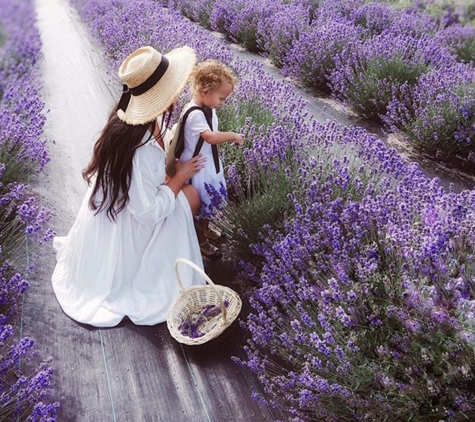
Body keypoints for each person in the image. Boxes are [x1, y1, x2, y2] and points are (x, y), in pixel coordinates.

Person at [52, 45, 207, 328]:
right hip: (128, 226)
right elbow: (147, 213)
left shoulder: (127, 117)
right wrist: (179, 176)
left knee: (183, 191)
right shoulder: (142, 147)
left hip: (112, 213)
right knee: (192, 196)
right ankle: (164, 258)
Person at [178, 60, 244, 259]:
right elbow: (210, 137)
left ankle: (205, 231)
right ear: (205, 91)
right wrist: (233, 135)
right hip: (198, 167)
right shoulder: (195, 113)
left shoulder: (207, 108)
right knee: (199, 204)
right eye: (221, 98)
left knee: (207, 203)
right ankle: (200, 240)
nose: (223, 103)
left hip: (207, 162)